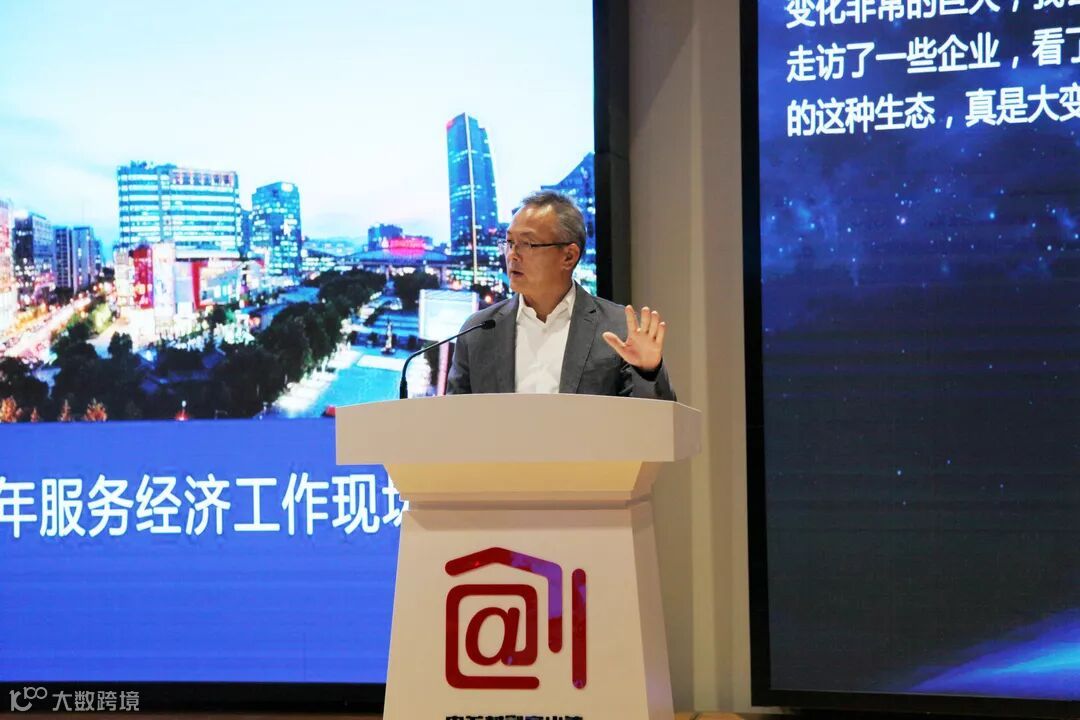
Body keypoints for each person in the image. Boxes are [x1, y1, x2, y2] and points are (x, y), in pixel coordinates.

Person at [447, 190, 675, 400]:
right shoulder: (478, 332)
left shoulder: (617, 328)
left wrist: (648, 372)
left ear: (569, 256)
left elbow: (654, 422)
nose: (512, 255)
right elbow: (454, 420)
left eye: (527, 244)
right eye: (509, 242)